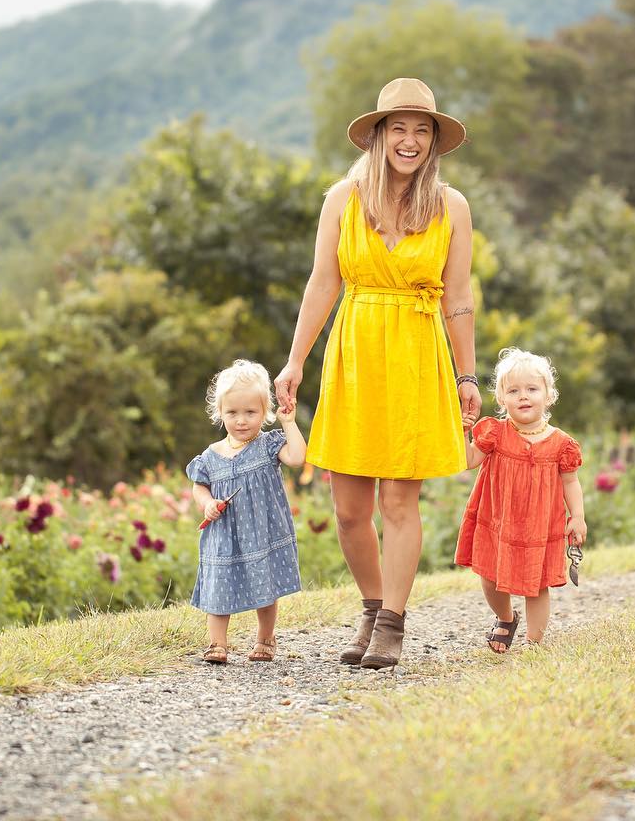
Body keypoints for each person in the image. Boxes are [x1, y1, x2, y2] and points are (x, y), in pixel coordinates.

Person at [274, 78, 480, 669]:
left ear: (434, 142)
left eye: (421, 131)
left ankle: (393, 621)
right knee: (347, 506)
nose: (410, 141)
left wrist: (467, 376)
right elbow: (323, 282)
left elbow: (459, 297)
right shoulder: (342, 198)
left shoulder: (451, 207)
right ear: (379, 136)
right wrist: (295, 361)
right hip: (356, 347)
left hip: (417, 350)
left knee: (399, 501)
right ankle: (370, 607)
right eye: (399, 129)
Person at [455, 347, 587, 652]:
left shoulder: (561, 444)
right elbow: (469, 460)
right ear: (502, 399)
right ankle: (505, 616)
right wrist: (462, 434)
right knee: (489, 576)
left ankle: (533, 643)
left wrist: (577, 517)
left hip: (539, 525)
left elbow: (571, 482)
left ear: (548, 395)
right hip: (498, 521)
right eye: (513, 391)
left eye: (531, 389)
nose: (523, 396)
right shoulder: (495, 433)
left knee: (536, 584)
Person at [187, 360, 307, 665]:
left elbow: (296, 457)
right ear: (220, 413)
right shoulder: (211, 456)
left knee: (265, 586)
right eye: (233, 413)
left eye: (250, 413)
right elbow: (198, 487)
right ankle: (217, 643)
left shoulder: (268, 446)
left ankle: (266, 638)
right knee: (218, 585)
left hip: (261, 534)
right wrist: (207, 503)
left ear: (264, 410)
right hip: (224, 534)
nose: (241, 421)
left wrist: (289, 423)